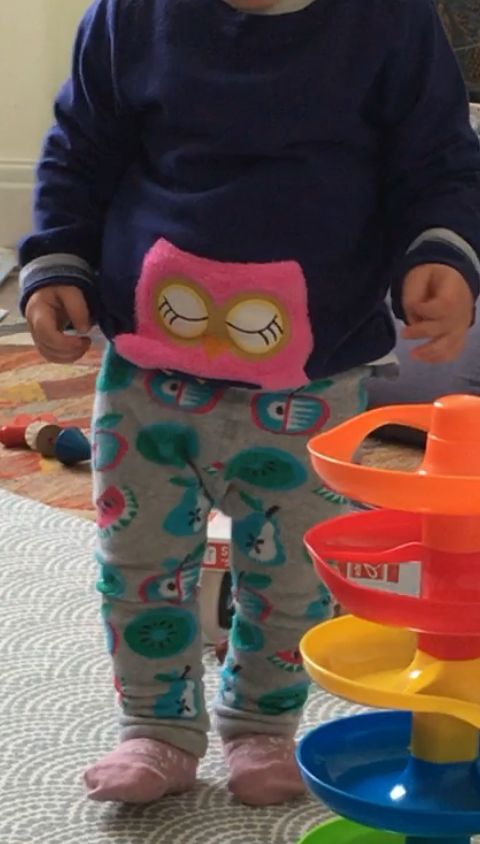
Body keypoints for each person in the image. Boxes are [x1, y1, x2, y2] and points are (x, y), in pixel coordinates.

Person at [19, 0, 480, 808]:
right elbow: (79, 150)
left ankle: (262, 723)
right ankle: (156, 729)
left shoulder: (391, 21)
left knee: (294, 572)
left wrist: (440, 252)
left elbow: (438, 159)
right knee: (139, 564)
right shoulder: (129, 16)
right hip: (148, 374)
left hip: (314, 381)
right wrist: (57, 260)